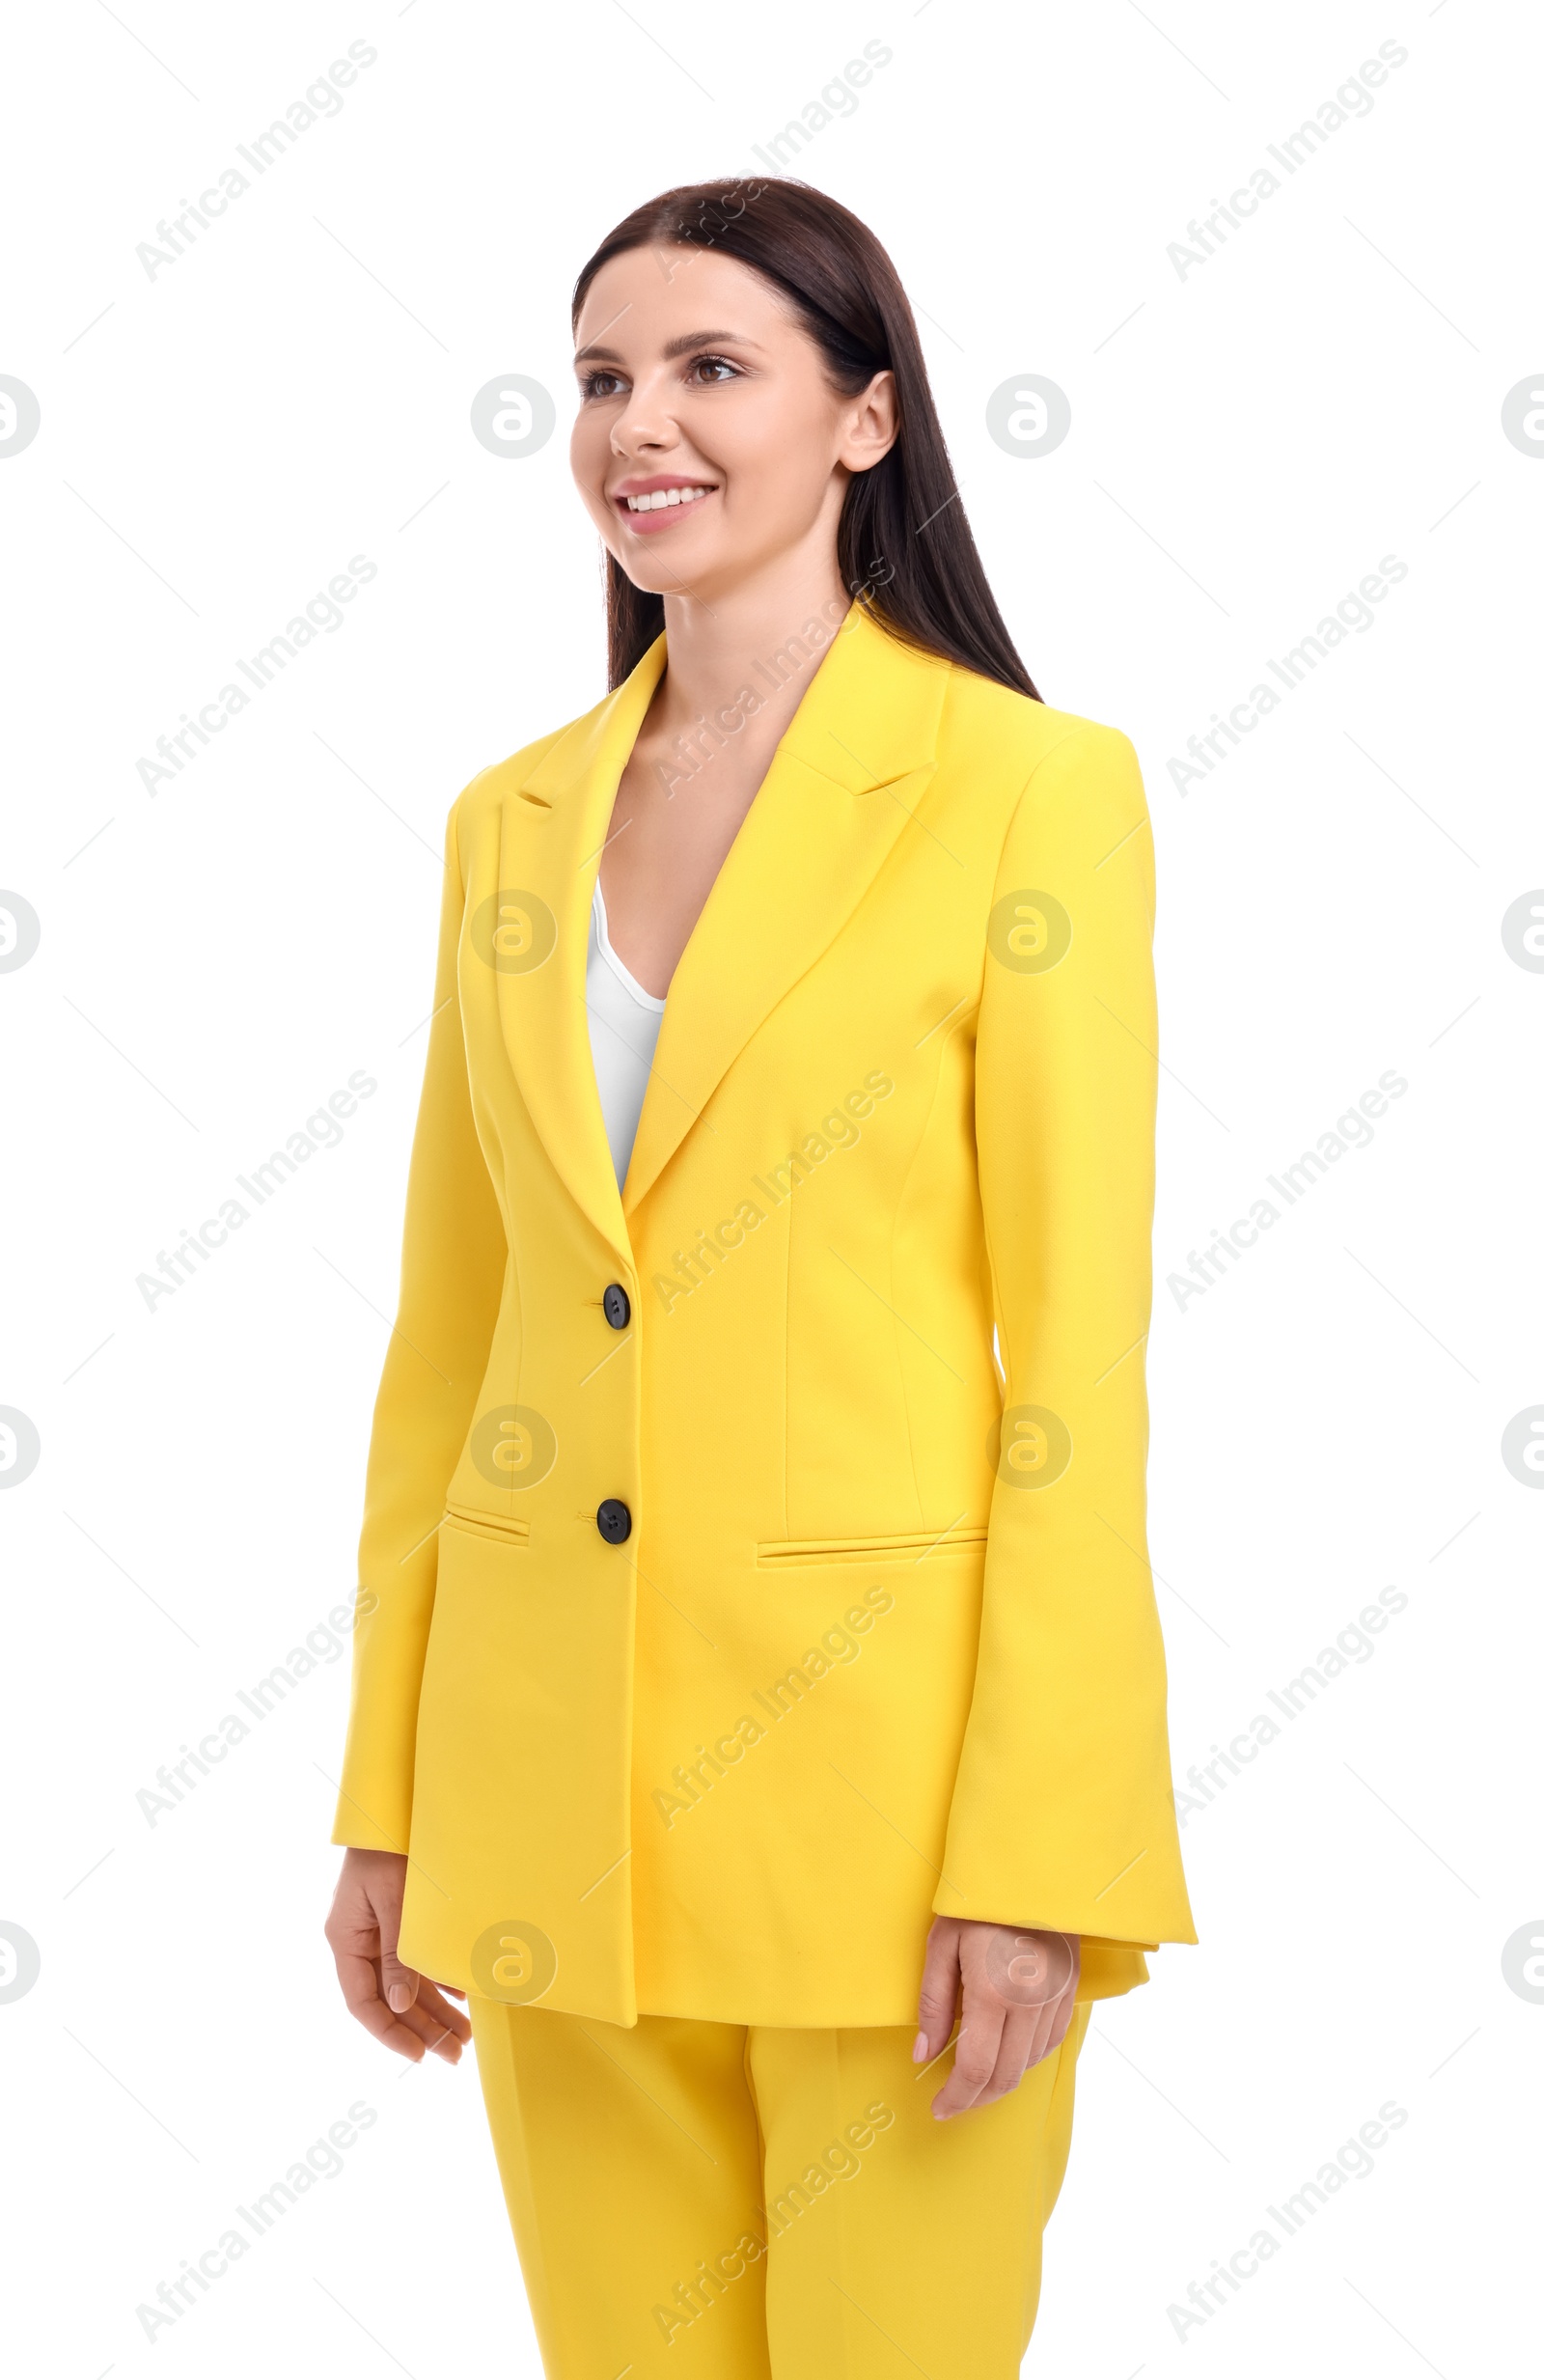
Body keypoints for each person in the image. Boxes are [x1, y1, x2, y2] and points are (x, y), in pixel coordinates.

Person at [325, 177, 1195, 2378]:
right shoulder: (504, 826)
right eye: (606, 374)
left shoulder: (1023, 793)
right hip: (541, 1807)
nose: (643, 422)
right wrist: (388, 1802)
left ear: (866, 421)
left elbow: (1070, 1361)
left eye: (714, 368)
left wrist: (1043, 1853)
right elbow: (453, 1350)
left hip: (886, 1835)